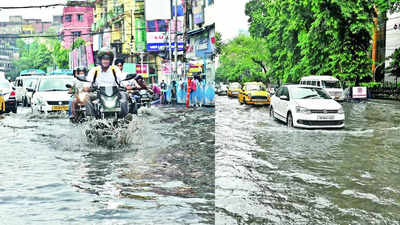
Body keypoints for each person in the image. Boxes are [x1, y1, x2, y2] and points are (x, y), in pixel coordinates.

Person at [83, 48, 128, 118]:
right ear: (100, 60)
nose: (105, 61)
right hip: (98, 94)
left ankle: (125, 117)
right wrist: (87, 87)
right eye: (104, 59)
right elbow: (88, 81)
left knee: (125, 95)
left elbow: (122, 78)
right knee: (86, 97)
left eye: (107, 59)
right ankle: (91, 117)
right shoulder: (94, 70)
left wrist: (126, 84)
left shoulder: (115, 69)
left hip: (115, 93)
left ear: (110, 60)